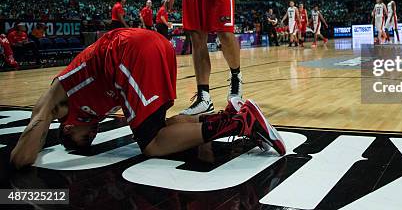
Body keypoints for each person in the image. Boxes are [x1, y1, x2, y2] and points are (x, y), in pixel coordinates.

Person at [9, 29, 285, 170]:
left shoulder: (57, 102)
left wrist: (42, 122)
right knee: (160, 130)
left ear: (67, 127)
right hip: (152, 47)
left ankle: (238, 123)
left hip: (127, 52)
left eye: (86, 137)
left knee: (151, 146)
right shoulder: (91, 111)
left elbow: (20, 159)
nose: (93, 133)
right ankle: (229, 114)